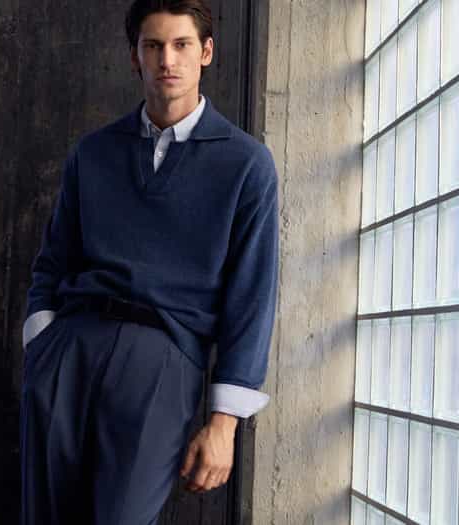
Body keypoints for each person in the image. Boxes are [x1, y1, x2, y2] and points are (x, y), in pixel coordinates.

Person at [20, 0, 279, 523]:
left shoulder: (246, 165)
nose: (167, 60)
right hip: (70, 348)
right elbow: (53, 260)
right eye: (153, 46)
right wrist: (42, 342)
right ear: (134, 56)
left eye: (182, 45)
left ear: (206, 52)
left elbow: (252, 299)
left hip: (164, 357)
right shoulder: (93, 153)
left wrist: (225, 423)